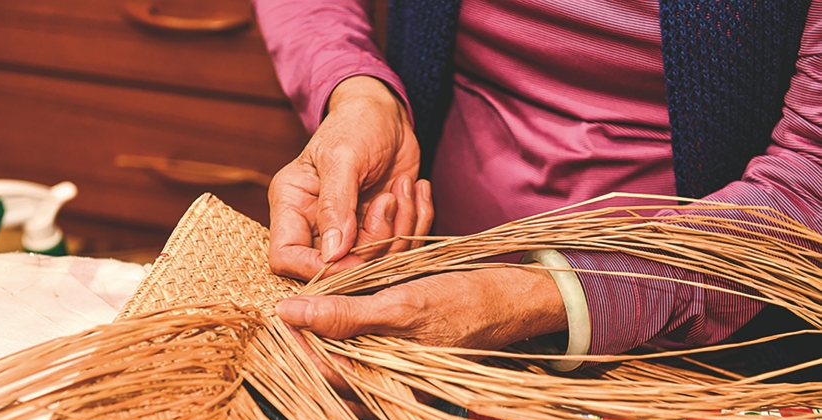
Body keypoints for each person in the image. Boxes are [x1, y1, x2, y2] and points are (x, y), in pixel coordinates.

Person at [254, 0, 822, 375]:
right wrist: (355, 89)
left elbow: (808, 180)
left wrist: (542, 298)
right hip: (421, 283)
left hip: (695, 349)